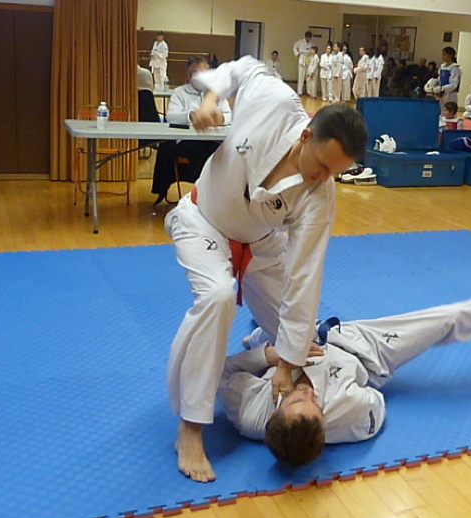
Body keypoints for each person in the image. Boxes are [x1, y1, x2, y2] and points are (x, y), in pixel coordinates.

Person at [165, 55, 368, 482]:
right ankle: (191, 427)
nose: (323, 178)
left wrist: (287, 365)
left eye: (334, 173)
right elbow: (238, 69)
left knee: (303, 344)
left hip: (260, 247)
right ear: (306, 134)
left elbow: (304, 275)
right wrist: (210, 100)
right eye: (322, 165)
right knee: (218, 296)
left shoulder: (320, 194)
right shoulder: (274, 101)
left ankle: (280, 374)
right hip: (204, 222)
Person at [218, 259, 471, 466]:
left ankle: (261, 338)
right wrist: (348, 379)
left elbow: (222, 371)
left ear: (274, 413)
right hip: (364, 351)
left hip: (292, 340)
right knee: (443, 319)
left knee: (275, 308)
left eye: (298, 400)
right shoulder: (349, 419)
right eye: (316, 405)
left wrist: (268, 357)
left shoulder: (248, 412)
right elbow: (375, 397)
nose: (309, 395)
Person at [151, 56, 232, 205]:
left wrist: (221, 119)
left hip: (213, 139)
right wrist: (190, 115)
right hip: (189, 141)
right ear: (189, 75)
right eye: (197, 73)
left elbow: (229, 116)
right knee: (198, 153)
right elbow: (171, 117)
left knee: (228, 152)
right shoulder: (180, 92)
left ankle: (221, 195)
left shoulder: (215, 93)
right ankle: (201, 193)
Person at [293, 31, 314, 96]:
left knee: (308, 77)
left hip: (309, 59)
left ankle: (309, 91)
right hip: (302, 58)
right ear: (305, 37)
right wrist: (297, 54)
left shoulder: (312, 43)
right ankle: (299, 92)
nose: (308, 39)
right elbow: (294, 47)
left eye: (309, 38)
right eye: (307, 38)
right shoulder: (300, 42)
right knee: (301, 77)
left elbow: (314, 50)